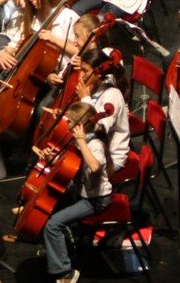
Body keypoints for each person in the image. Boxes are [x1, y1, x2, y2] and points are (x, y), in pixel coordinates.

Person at [40, 101, 123, 283]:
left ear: (79, 125)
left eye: (69, 121)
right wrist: (52, 160)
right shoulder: (84, 140)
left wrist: (80, 141)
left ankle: (65, 273)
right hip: (82, 191)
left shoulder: (94, 144)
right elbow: (73, 166)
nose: (66, 124)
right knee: (50, 203)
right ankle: (64, 244)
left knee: (52, 225)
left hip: (96, 200)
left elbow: (94, 166)